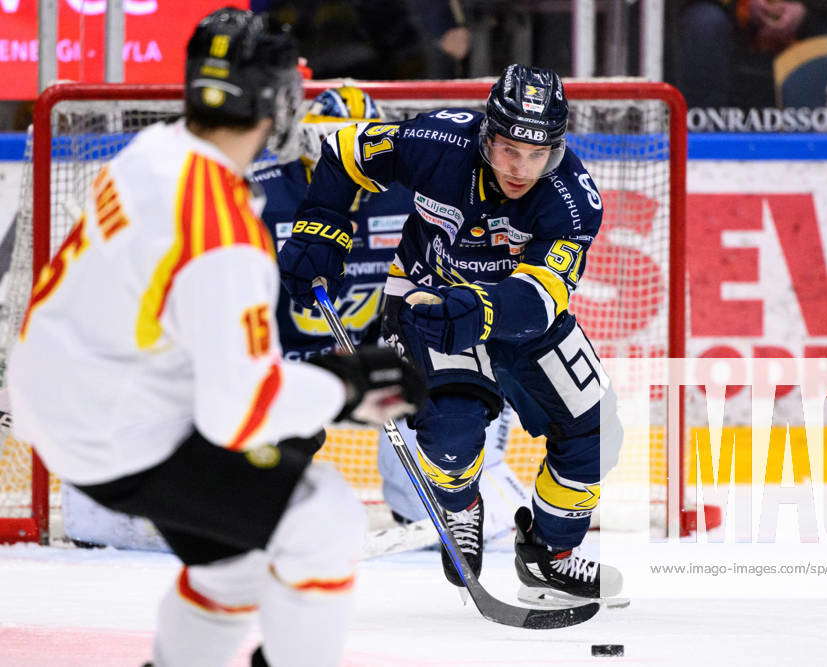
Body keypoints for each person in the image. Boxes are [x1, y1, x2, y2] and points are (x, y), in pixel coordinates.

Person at [7, 8, 424, 667]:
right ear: (276, 103)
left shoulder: (157, 153)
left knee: (234, 567)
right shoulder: (221, 226)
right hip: (112, 421)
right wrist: (344, 387)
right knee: (326, 518)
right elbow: (240, 410)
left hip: (66, 395)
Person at [277, 64, 624, 602]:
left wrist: (480, 311)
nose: (521, 168)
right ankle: (460, 505)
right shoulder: (437, 140)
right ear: (487, 134)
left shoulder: (572, 200)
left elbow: (541, 296)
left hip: (517, 315)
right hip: (428, 299)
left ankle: (550, 555)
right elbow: (345, 149)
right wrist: (322, 225)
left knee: (595, 433)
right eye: (510, 149)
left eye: (539, 155)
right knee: (454, 435)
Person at [255, 84, 528, 536]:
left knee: (444, 370)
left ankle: (439, 496)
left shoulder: (409, 196)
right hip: (276, 359)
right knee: (268, 497)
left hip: (366, 358)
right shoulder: (263, 195)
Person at [678, 0, 827, 110]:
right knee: (704, 23)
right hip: (735, 26)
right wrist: (742, 6)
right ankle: (702, 138)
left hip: (814, 18)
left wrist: (806, 8)